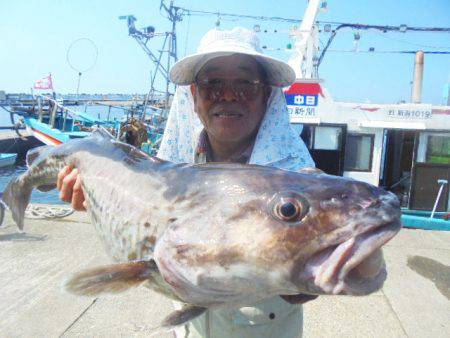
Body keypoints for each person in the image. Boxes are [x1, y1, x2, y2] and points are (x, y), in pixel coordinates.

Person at [57, 27, 316, 338]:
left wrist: (308, 275)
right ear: (194, 97)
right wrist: (99, 200)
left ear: (266, 96)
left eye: (246, 84)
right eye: (212, 84)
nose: (229, 95)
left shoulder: (296, 177)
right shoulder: (173, 165)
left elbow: (319, 262)